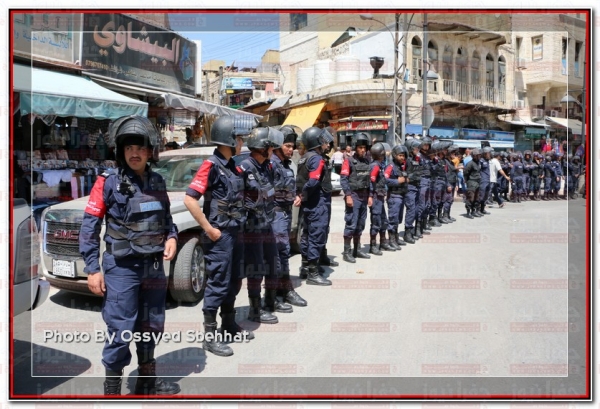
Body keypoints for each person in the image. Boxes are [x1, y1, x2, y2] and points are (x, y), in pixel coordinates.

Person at [79, 115, 180, 395]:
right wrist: (92, 268)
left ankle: (146, 381)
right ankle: (112, 391)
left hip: (153, 267)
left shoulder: (157, 181)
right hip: (122, 268)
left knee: (152, 324)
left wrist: (172, 237)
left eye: (140, 148)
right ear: (121, 151)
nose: (134, 153)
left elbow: (167, 220)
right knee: (120, 329)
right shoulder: (107, 182)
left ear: (150, 151)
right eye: (129, 148)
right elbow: (89, 226)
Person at [184, 115, 256, 358]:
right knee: (217, 283)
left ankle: (229, 324)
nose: (241, 142)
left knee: (234, 280)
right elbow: (190, 198)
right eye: (239, 139)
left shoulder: (233, 165)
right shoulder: (211, 165)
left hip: (236, 232)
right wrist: (208, 228)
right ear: (229, 139)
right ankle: (210, 337)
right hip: (220, 236)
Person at [238, 127, 291, 324]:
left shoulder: (266, 166)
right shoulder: (244, 168)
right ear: (262, 148)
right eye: (270, 148)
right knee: (256, 269)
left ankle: (270, 302)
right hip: (252, 227)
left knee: (273, 263)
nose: (272, 151)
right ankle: (255, 310)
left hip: (267, 222)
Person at [272, 125, 307, 307]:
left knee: (282, 253)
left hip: (285, 213)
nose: (291, 149)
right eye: (287, 146)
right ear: (277, 145)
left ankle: (281, 290)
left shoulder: (286, 164)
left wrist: (295, 195)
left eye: (292, 146)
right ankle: (284, 291)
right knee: (280, 253)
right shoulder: (272, 164)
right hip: (275, 215)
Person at [296, 127, 334, 286]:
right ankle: (313, 273)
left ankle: (305, 267)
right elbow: (313, 181)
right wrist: (304, 194)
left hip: (309, 204)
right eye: (323, 141)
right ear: (316, 142)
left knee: (307, 235)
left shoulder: (304, 157)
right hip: (317, 203)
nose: (326, 144)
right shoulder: (317, 159)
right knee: (316, 236)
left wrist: (302, 195)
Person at [340, 132, 372, 263]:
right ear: (355, 147)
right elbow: (343, 179)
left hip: (364, 196)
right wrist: (348, 195)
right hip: (353, 195)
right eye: (360, 147)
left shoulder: (367, 161)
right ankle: (346, 252)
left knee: (360, 224)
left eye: (364, 148)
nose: (362, 150)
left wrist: (370, 196)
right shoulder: (348, 161)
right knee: (351, 224)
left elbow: (369, 180)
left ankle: (357, 250)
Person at [368, 142, 398, 255]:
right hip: (376, 197)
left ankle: (383, 243)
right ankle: (373, 246)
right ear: (380, 154)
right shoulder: (375, 166)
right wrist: (371, 196)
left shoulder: (379, 165)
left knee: (384, 221)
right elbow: (371, 182)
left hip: (380, 196)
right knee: (376, 222)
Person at [384, 144, 410, 246]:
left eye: (403, 156)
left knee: (398, 218)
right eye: (400, 155)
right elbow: (385, 179)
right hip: (394, 195)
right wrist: (397, 181)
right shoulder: (390, 166)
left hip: (401, 194)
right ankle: (391, 240)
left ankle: (396, 237)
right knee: (393, 218)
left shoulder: (401, 167)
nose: (402, 158)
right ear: (395, 155)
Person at [404, 139, 425, 242]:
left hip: (417, 186)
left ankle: (414, 229)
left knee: (417, 209)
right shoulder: (406, 160)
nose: (417, 149)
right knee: (411, 209)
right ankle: (407, 232)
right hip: (410, 187)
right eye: (415, 148)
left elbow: (421, 170)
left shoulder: (417, 159)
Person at [463, 148, 482, 219]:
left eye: (479, 155)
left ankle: (474, 211)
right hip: (471, 182)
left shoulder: (478, 163)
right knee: (470, 198)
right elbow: (465, 173)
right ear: (474, 156)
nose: (479, 157)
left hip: (477, 182)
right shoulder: (470, 163)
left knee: (477, 198)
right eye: (478, 155)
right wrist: (466, 180)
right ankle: (468, 212)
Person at [442, 145, 460, 221]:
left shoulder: (452, 162)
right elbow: (445, 174)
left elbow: (455, 173)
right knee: (448, 200)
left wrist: (457, 184)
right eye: (453, 153)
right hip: (448, 183)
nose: (454, 155)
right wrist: (448, 185)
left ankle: (448, 215)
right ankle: (445, 216)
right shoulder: (445, 162)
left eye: (455, 153)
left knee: (451, 200)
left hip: (453, 182)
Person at [477, 147, 493, 215]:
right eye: (489, 153)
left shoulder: (487, 161)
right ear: (485, 153)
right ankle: (478, 210)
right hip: (482, 181)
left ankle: (482, 209)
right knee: (481, 195)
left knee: (486, 196)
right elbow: (478, 170)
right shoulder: (481, 161)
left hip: (487, 180)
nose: (490, 154)